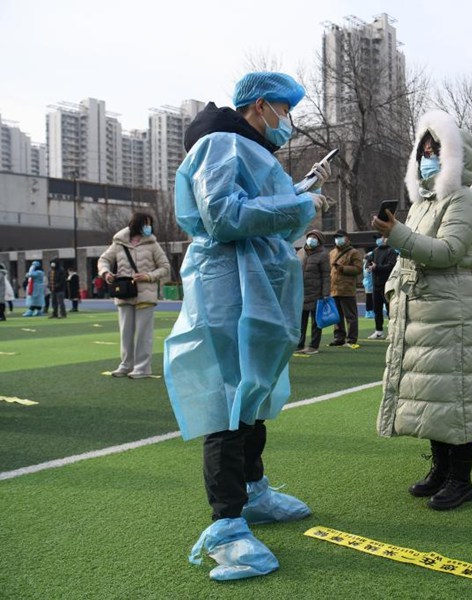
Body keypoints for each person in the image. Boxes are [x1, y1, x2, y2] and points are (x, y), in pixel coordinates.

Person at [162, 72, 332, 581]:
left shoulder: (250, 149)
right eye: (286, 110)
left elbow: (258, 207)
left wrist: (298, 191)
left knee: (252, 398)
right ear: (260, 105)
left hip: (255, 287)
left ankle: (253, 492)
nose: (290, 123)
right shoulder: (221, 143)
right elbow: (222, 214)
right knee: (228, 407)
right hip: (228, 292)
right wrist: (300, 203)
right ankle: (227, 528)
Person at [373, 110, 472, 510]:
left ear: (456, 156)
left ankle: (461, 478)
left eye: (435, 151)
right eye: (422, 152)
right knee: (431, 395)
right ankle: (440, 469)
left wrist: (396, 234)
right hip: (420, 309)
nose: (427, 159)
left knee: (455, 393)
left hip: (448, 309)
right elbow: (407, 256)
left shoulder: (463, 199)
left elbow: (448, 252)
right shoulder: (422, 203)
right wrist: (391, 291)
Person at [98, 212, 171, 377]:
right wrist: (106, 273)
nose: (149, 227)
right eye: (146, 223)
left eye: (150, 224)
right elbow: (103, 260)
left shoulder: (153, 244)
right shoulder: (119, 243)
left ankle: (142, 368)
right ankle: (125, 365)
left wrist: (148, 276)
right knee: (126, 333)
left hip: (146, 294)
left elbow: (165, 267)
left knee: (144, 334)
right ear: (137, 224)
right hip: (124, 293)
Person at [297, 230, 330, 354]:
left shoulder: (323, 255)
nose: (311, 239)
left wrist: (326, 293)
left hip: (317, 293)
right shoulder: (301, 252)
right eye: (310, 237)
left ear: (319, 241)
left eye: (314, 237)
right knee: (301, 322)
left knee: (316, 322)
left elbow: (326, 275)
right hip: (302, 292)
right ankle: (299, 344)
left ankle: (313, 346)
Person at [328, 229, 363, 347]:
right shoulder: (332, 253)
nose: (338, 239)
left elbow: (358, 269)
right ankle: (339, 337)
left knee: (350, 316)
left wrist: (343, 268)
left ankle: (351, 338)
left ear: (347, 238)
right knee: (336, 316)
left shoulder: (354, 252)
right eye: (336, 237)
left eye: (340, 237)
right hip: (334, 289)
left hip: (347, 289)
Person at [367, 234, 398, 339]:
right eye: (376, 238)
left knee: (390, 309)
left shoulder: (391, 251)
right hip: (376, 285)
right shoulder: (375, 251)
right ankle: (379, 331)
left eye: (379, 237)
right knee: (377, 309)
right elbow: (368, 262)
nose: (378, 240)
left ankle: (392, 331)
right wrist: (369, 267)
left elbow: (391, 266)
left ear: (386, 238)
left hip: (387, 285)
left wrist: (377, 268)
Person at [363, 248, 375, 319]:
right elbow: (368, 272)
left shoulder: (367, 263)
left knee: (371, 298)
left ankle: (370, 311)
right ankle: (369, 312)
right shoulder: (367, 264)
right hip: (369, 283)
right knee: (369, 298)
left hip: (370, 283)